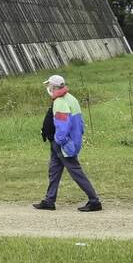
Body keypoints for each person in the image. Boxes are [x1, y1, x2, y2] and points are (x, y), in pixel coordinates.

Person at [32, 74, 103, 211]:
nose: (48, 88)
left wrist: (60, 140)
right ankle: (49, 200)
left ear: (53, 87)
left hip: (63, 144)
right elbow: (80, 123)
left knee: (76, 171)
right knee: (54, 170)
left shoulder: (60, 102)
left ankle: (94, 201)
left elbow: (62, 125)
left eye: (49, 85)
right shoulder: (71, 98)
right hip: (61, 142)